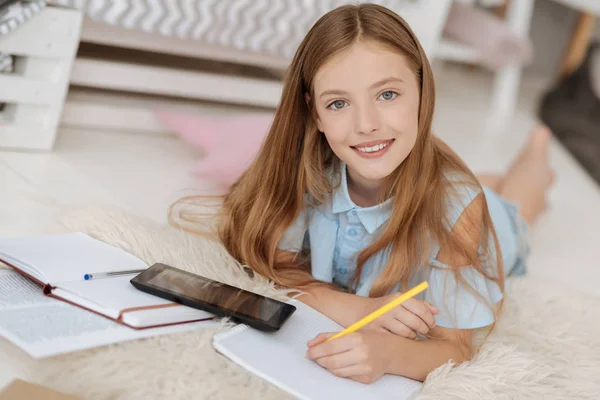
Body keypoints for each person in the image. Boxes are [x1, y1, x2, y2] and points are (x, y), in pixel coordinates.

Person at [171, 3, 554, 384]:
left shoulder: (460, 211)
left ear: (422, 89)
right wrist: (360, 309)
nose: (366, 124)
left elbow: (455, 347)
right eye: (339, 103)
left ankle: (537, 154)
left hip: (479, 220)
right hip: (440, 183)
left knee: (519, 209)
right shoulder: (306, 173)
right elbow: (279, 271)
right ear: (315, 113)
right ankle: (495, 177)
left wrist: (387, 353)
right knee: (482, 184)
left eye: (387, 95)